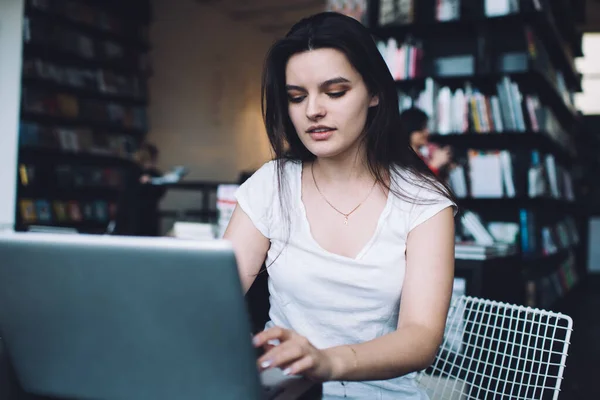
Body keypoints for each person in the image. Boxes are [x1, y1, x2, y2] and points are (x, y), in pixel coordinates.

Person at [224, 12, 457, 399]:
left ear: (374, 93)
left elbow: (420, 337)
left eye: (335, 92)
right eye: (297, 97)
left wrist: (326, 362)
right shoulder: (271, 185)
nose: (313, 110)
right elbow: (216, 294)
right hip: (285, 391)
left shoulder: (423, 202)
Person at [113, 142, 166, 236]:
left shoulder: (155, 173)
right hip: (132, 214)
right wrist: (142, 183)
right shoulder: (131, 171)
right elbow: (128, 194)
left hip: (149, 214)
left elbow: (160, 192)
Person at [400, 107, 452, 177]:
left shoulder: (422, 156)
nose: (427, 132)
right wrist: (435, 164)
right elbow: (420, 185)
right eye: (421, 129)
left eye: (426, 127)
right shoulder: (403, 161)